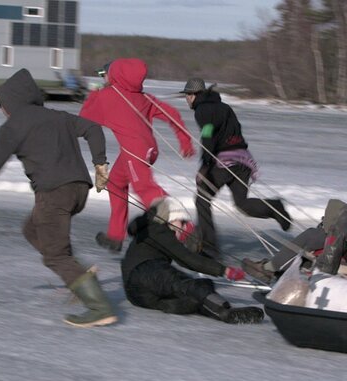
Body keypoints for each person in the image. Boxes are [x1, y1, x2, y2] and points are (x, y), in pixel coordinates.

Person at [0, 68, 117, 328]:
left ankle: (98, 306)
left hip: (54, 194)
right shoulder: (57, 117)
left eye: (2, 104)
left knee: (54, 255)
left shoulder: (12, 127)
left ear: (11, 102)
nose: (2, 110)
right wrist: (100, 165)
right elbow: (94, 129)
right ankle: (79, 274)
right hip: (79, 190)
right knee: (32, 228)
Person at [80, 58, 195, 252]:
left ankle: (185, 227)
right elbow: (172, 113)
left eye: (104, 74)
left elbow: (83, 119)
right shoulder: (142, 98)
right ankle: (116, 236)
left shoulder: (107, 96)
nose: (102, 77)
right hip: (147, 149)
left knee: (145, 188)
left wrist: (93, 94)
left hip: (135, 153)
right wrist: (185, 142)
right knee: (116, 183)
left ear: (114, 75)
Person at [181, 77, 291, 260]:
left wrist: (204, 167)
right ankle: (275, 207)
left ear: (193, 95)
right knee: (242, 204)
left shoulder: (202, 110)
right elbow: (235, 131)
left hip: (225, 163)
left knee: (202, 199)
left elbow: (207, 133)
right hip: (243, 161)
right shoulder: (224, 107)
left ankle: (209, 248)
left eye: (187, 95)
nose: (186, 99)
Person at [121, 198, 264, 324]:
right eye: (182, 222)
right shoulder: (158, 229)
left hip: (138, 295)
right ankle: (225, 311)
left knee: (192, 295)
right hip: (144, 271)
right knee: (184, 284)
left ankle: (215, 309)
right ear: (171, 218)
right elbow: (188, 259)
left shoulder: (151, 229)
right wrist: (224, 270)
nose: (183, 227)